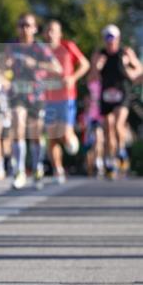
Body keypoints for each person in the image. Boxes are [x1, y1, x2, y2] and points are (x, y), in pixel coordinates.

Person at [5, 14, 61, 189]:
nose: (24, 29)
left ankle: (38, 167)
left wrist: (35, 64)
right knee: (18, 125)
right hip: (17, 94)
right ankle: (19, 171)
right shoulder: (11, 47)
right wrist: (5, 68)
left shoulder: (40, 48)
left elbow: (57, 68)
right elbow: (1, 68)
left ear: (35, 29)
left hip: (36, 95)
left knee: (35, 134)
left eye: (28, 25)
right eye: (21, 25)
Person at [89, 24, 143, 178]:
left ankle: (121, 151)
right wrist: (96, 67)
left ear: (118, 38)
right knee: (108, 130)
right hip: (106, 95)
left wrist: (128, 69)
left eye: (112, 37)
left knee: (118, 124)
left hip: (122, 93)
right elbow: (92, 78)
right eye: (107, 37)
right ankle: (110, 162)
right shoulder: (99, 54)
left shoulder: (125, 52)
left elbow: (139, 69)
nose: (110, 41)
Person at [43, 20, 90, 183]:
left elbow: (85, 64)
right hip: (48, 99)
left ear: (59, 33)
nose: (50, 34)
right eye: (47, 31)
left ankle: (70, 140)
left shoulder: (68, 46)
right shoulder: (42, 52)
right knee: (51, 136)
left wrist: (73, 78)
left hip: (66, 98)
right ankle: (58, 170)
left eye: (53, 31)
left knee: (64, 134)